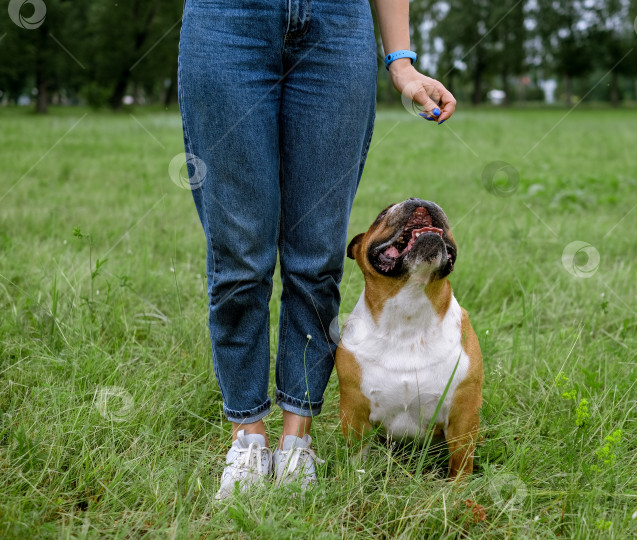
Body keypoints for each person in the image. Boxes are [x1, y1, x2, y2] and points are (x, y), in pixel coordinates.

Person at [177, 0, 456, 498]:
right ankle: (248, 439)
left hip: (338, 24)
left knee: (317, 257)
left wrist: (401, 60)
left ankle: (295, 442)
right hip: (227, 21)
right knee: (241, 259)